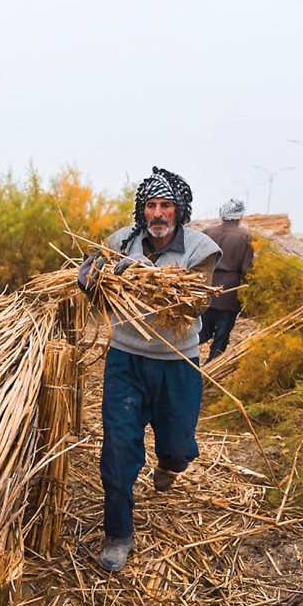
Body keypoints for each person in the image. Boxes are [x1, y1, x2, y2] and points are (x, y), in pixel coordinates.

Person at [76, 166, 222, 573]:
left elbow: (195, 303)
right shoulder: (121, 241)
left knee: (177, 448)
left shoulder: (201, 249)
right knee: (119, 448)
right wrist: (91, 279)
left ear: (180, 210)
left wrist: (141, 276)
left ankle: (169, 465)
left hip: (177, 363)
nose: (158, 214)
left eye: (166, 206)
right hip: (126, 359)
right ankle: (118, 534)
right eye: (151, 206)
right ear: (143, 210)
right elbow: (99, 291)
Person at [199, 199, 254, 363]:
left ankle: (187, 361)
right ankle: (211, 368)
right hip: (229, 292)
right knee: (221, 336)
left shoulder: (207, 232)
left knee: (200, 332)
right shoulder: (245, 237)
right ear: (239, 216)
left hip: (205, 288)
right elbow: (246, 269)